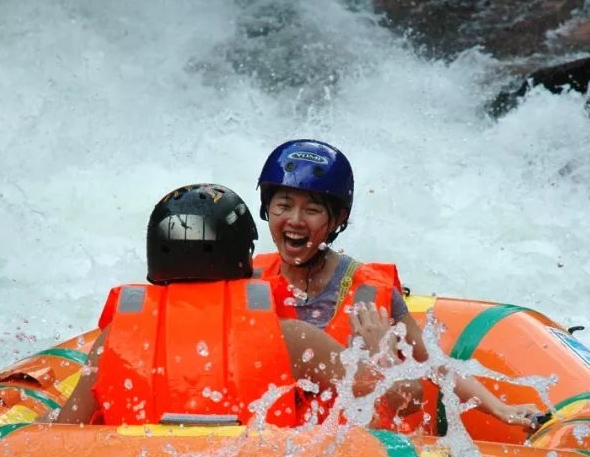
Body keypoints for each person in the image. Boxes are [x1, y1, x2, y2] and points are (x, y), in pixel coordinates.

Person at [49, 183, 418, 427]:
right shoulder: (289, 337)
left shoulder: (117, 339)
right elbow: (402, 399)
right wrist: (380, 351)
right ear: (243, 254)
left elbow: (64, 435)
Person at [253, 138, 541, 430]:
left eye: (312, 210)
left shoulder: (372, 291)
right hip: (272, 444)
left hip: (353, 448)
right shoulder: (247, 280)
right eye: (284, 206)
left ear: (338, 218)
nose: (295, 220)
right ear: (267, 208)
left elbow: (434, 364)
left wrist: (501, 408)